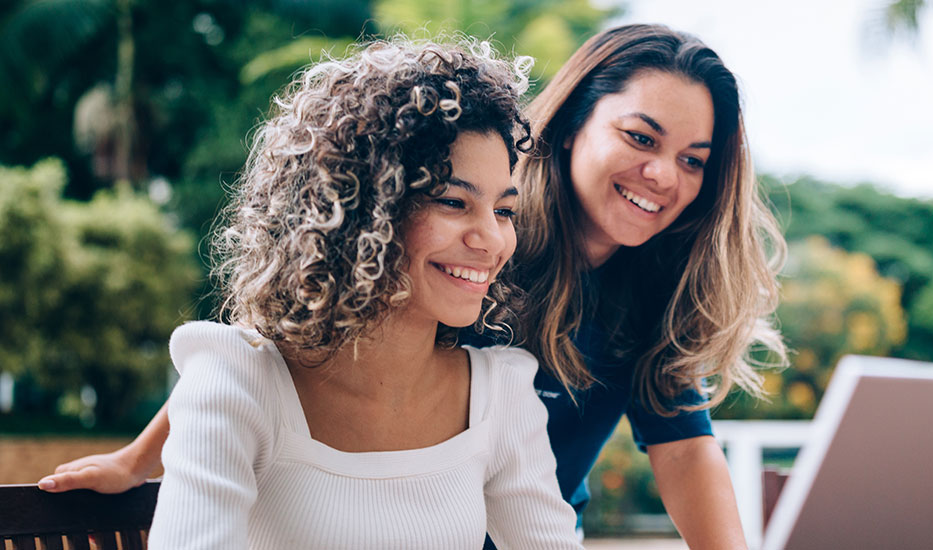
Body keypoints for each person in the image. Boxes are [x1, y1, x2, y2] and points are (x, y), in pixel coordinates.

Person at [42, 24, 786, 550]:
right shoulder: (469, 254)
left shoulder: (648, 293)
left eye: (695, 158)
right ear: (569, 127)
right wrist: (139, 459)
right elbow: (269, 353)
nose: (664, 174)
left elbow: (687, 453)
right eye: (640, 137)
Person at [140, 37, 581, 549]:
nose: (492, 240)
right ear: (360, 211)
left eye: (504, 211)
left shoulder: (500, 393)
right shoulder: (237, 381)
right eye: (453, 201)